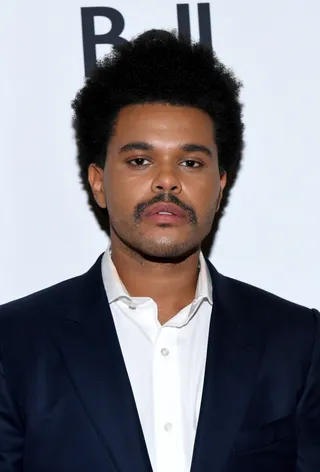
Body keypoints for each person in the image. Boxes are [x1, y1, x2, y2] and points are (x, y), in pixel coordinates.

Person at [0, 29, 319, 472]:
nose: (166, 181)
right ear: (98, 182)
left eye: (190, 162)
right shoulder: (14, 344)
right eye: (139, 161)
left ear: (220, 184)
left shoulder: (298, 342)